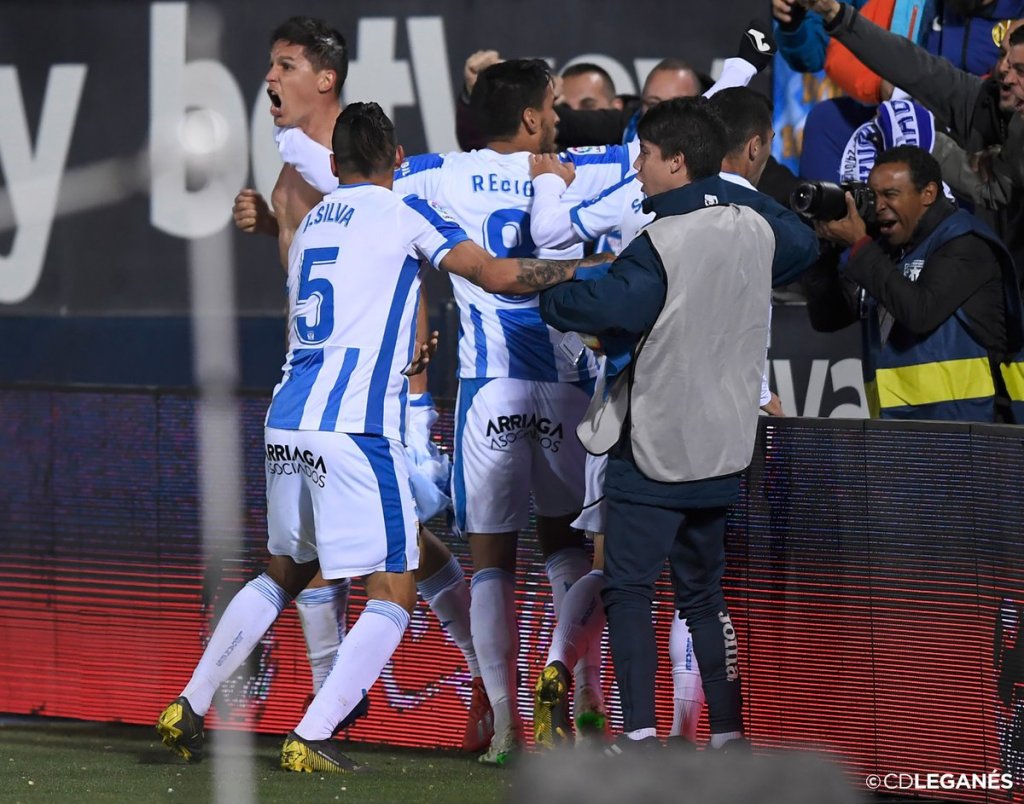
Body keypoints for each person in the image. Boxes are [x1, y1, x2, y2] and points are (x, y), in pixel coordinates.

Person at [156, 101, 600, 773]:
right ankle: (314, 730)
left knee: (284, 571)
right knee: (394, 587)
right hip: (353, 429)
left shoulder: (307, 224)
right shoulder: (402, 212)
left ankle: (186, 704)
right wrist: (588, 266)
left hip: (286, 422)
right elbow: (500, 275)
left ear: (333, 165)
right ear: (398, 159)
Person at [231, 16, 494, 753]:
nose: (269, 80)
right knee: (356, 546)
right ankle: (334, 701)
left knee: (397, 549)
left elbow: (401, 271)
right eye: (269, 65)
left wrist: (412, 386)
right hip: (317, 391)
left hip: (382, 393)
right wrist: (268, 228)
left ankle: (481, 683)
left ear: (327, 80)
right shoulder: (296, 181)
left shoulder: (365, 171)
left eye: (284, 66)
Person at [529, 88, 817, 748]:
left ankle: (638, 738)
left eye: (649, 156)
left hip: (655, 446)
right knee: (704, 597)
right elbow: (804, 244)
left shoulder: (659, 241)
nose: (638, 168)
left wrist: (550, 293)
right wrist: (726, 191)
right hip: (723, 447)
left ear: (679, 161)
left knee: (628, 591)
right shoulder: (754, 228)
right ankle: (728, 737)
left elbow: (605, 309)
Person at [393, 58, 635, 766]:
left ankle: (504, 727)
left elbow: (361, 173)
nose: (561, 119)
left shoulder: (436, 173)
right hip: (565, 384)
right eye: (553, 108)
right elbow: (657, 145)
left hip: (488, 393)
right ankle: (585, 699)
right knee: (565, 547)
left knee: (491, 559)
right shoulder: (571, 169)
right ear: (532, 119)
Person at [803, 144, 1024, 421]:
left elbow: (919, 312)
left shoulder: (967, 244)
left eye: (890, 195)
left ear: (928, 193)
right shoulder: (888, 251)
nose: (879, 206)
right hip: (901, 431)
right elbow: (828, 317)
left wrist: (860, 244)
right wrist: (825, 249)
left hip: (970, 435)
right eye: (874, 196)